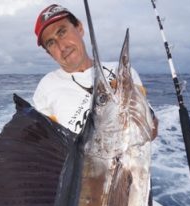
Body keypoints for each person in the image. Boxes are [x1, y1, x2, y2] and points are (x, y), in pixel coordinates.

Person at [32, 4, 158, 137]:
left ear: (79, 28)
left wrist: (135, 104)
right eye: (51, 43)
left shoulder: (121, 72)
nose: (62, 47)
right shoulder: (45, 88)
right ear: (49, 53)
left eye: (62, 32)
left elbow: (152, 132)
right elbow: (42, 146)